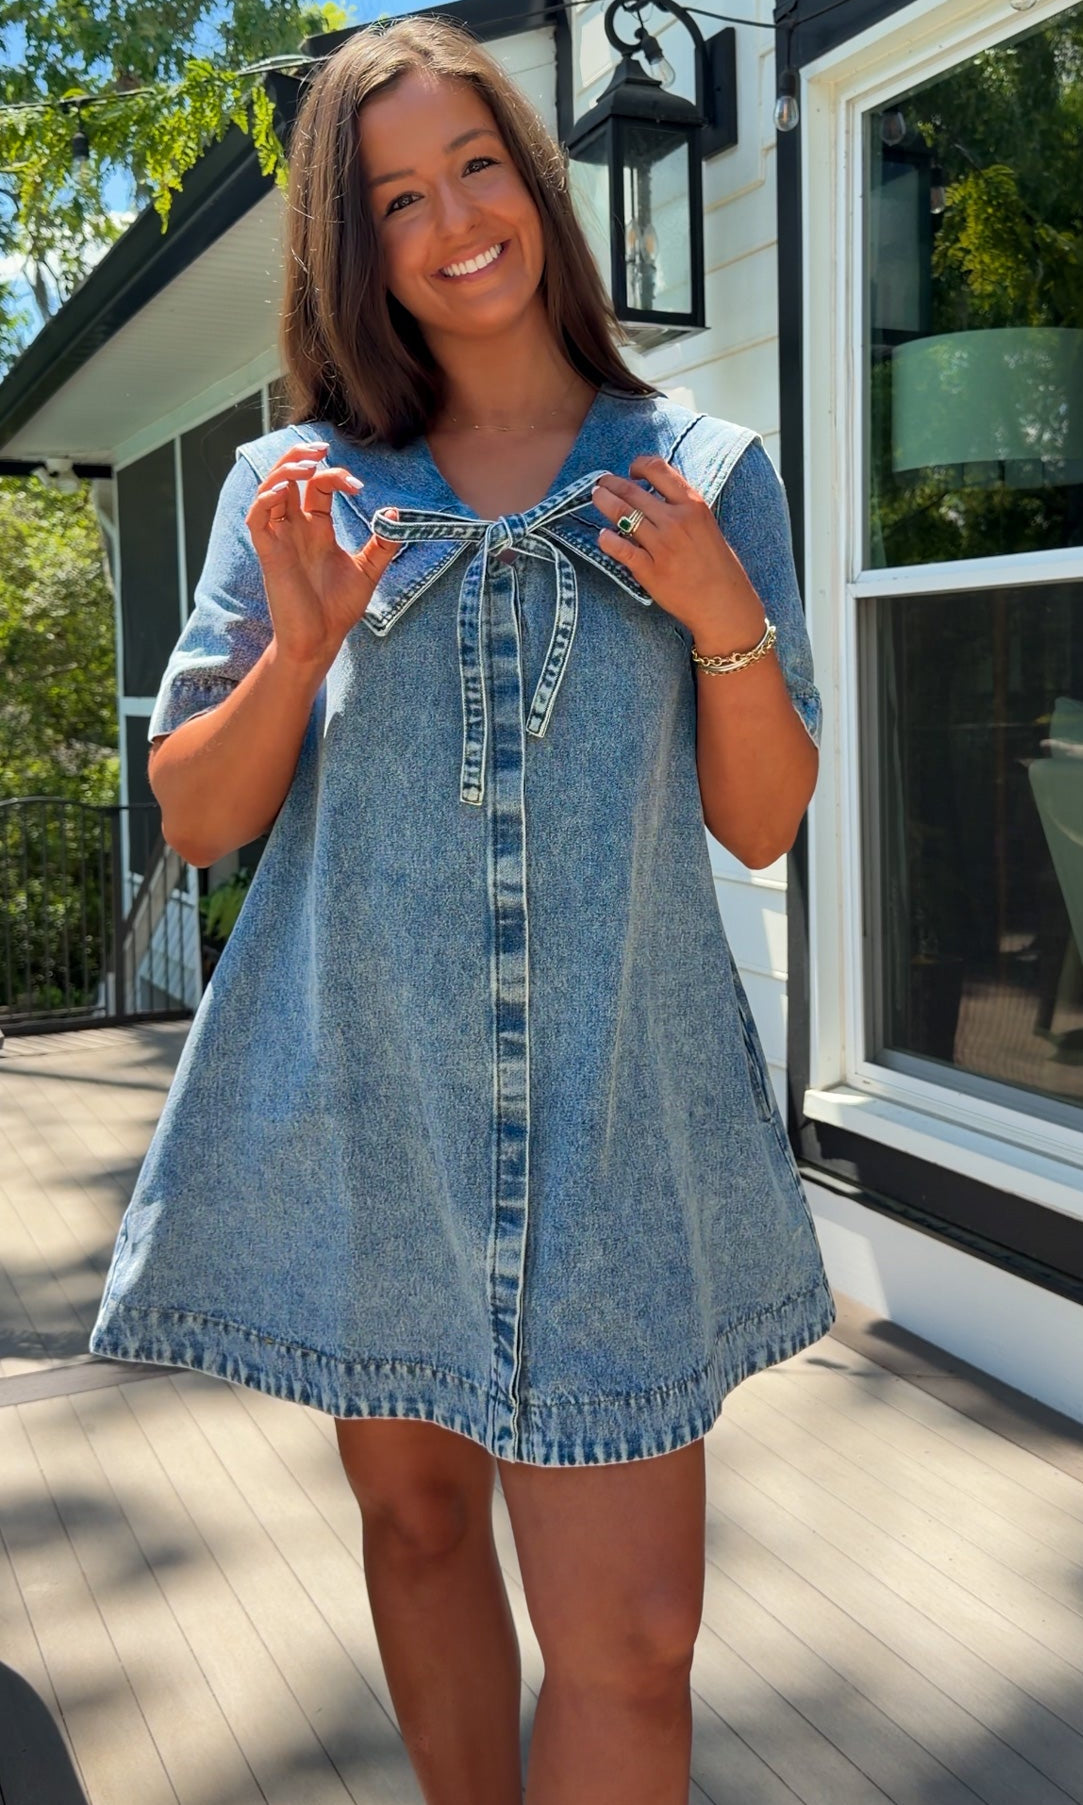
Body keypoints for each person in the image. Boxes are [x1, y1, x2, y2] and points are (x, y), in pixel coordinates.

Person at [90, 15, 837, 1803]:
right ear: (356, 248)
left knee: (634, 1638)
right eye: (396, 199)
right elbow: (197, 814)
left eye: (476, 166)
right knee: (418, 1530)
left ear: (536, 182)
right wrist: (297, 650)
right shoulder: (296, 490)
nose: (453, 222)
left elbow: (761, 821)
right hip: (373, 1105)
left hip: (615, 1130)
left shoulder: (704, 474)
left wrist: (724, 615)